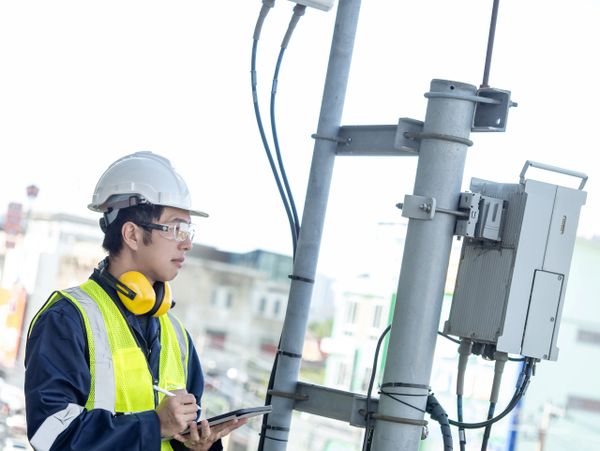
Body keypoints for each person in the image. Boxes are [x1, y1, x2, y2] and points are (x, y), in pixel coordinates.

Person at [24, 151, 246, 450]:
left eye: (189, 230)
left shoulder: (176, 336)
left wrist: (199, 445)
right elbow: (51, 436)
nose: (188, 243)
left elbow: (177, 432)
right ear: (131, 234)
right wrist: (155, 425)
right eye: (176, 228)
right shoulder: (68, 318)